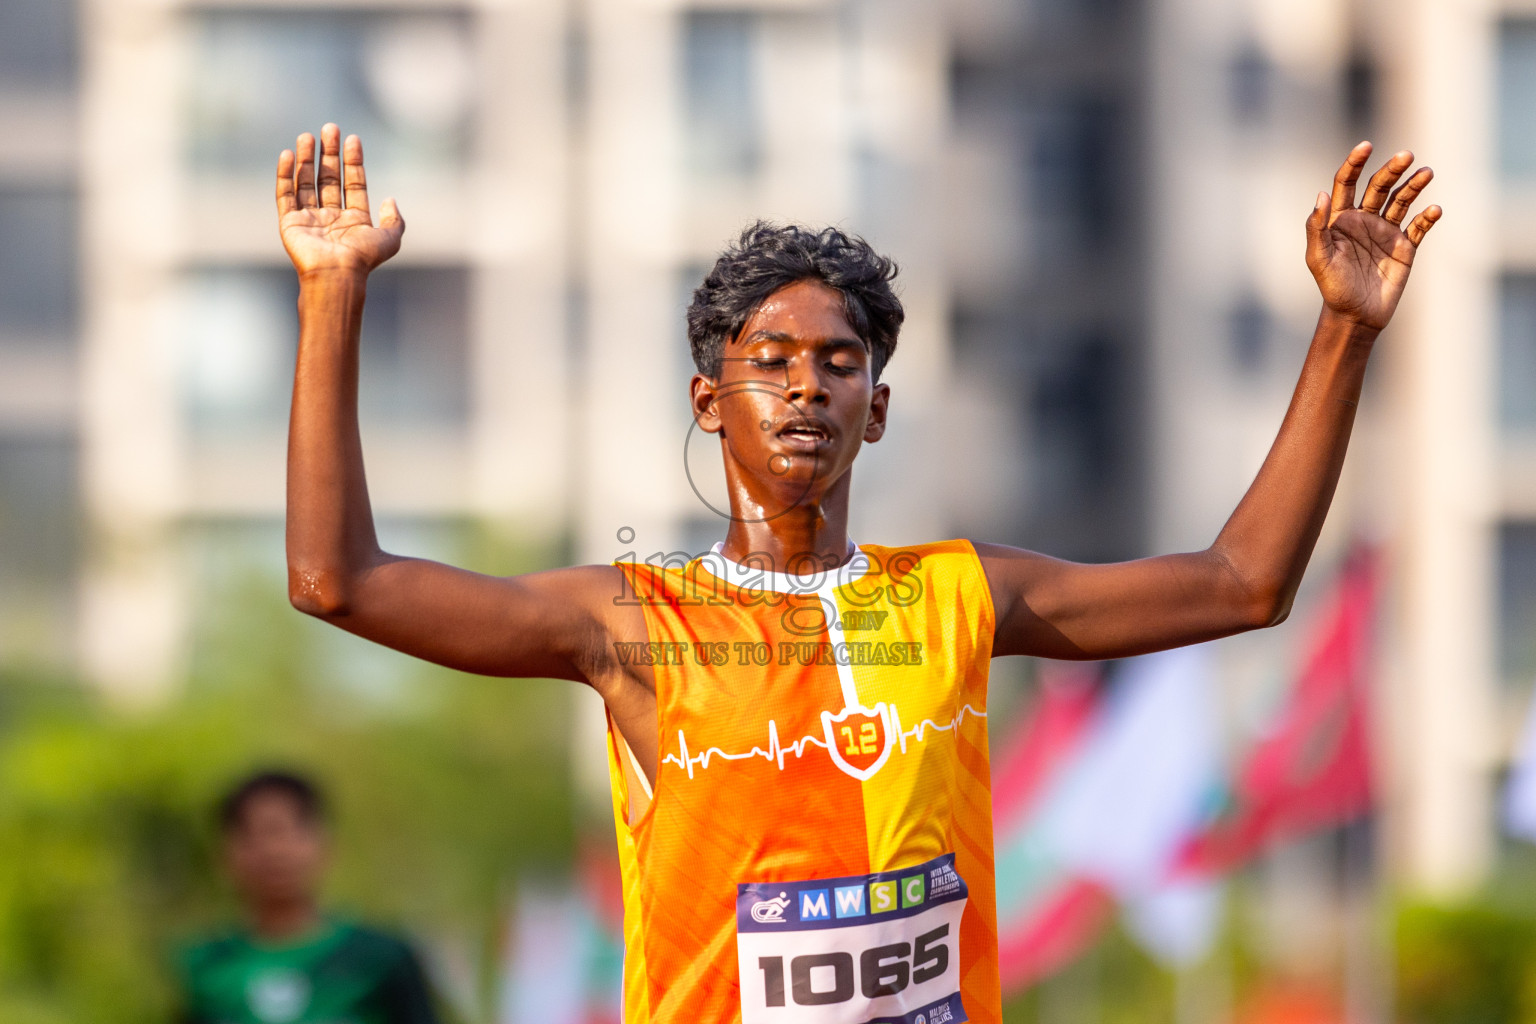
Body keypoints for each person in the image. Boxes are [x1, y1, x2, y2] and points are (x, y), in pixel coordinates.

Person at [274, 123, 1439, 1024]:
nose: (804, 386)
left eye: (838, 364)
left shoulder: (958, 594)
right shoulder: (634, 618)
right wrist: (334, 295)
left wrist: (1345, 328)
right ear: (708, 402)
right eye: (768, 361)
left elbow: (1243, 583)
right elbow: (340, 579)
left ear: (874, 411)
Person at [176, 771, 441, 1024]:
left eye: (290, 831)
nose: (275, 851)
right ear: (225, 853)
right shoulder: (202, 965)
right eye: (254, 834)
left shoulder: (381, 957)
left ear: (325, 843)